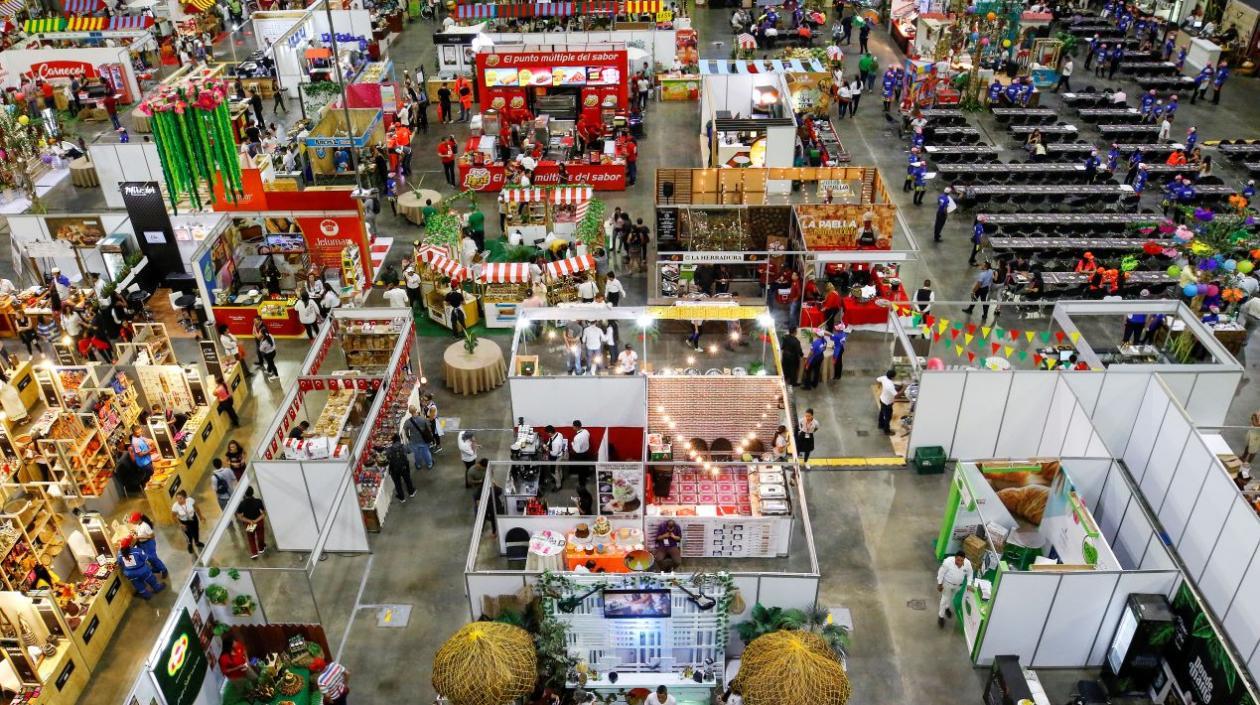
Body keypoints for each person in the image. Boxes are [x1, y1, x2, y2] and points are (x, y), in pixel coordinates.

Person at [936, 551, 974, 628]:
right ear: (955, 558)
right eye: (958, 560)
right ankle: (941, 617)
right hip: (947, 584)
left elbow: (970, 574)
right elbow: (941, 573)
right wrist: (940, 583)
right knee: (944, 599)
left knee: (951, 597)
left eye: (961, 560)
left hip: (958, 586)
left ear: (964, 559)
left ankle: (947, 608)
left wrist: (969, 584)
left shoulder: (967, 564)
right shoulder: (947, 562)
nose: (959, 562)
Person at [235, 487, 268, 558]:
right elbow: (264, 513)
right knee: (260, 535)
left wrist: (250, 521)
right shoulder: (258, 501)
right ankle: (261, 549)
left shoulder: (242, 504)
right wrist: (256, 520)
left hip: (250, 524)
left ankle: (254, 553)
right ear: (252, 492)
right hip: (259, 522)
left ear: (244, 493)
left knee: (251, 538)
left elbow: (239, 516)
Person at [171, 489, 205, 554]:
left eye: (180, 498)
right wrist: (180, 524)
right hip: (184, 522)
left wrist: (200, 516)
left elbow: (196, 508)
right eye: (177, 499)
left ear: (185, 498)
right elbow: (173, 516)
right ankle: (190, 544)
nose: (179, 500)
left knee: (196, 531)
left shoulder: (190, 500)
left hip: (193, 519)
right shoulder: (175, 506)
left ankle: (197, 542)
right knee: (188, 535)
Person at [403, 406, 435, 472]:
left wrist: (409, 437)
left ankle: (418, 465)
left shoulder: (407, 422)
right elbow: (429, 428)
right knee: (426, 452)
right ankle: (429, 464)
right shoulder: (423, 418)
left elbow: (405, 431)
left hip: (414, 440)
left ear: (409, 412)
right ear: (416, 410)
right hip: (423, 439)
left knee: (416, 454)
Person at [386, 433, 416, 503]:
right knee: (407, 480)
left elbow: (386, 457)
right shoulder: (403, 447)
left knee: (398, 484)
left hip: (394, 469)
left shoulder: (389, 449)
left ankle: (402, 498)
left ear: (392, 441)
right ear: (399, 439)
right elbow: (409, 451)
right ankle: (411, 492)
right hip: (404, 467)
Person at [876, 369, 898, 434]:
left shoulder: (884, 377)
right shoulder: (890, 385)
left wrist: (879, 386)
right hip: (887, 403)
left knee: (882, 413)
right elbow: (896, 395)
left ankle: (880, 425)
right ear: (893, 377)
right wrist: (903, 389)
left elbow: (877, 379)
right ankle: (887, 431)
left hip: (882, 399)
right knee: (888, 417)